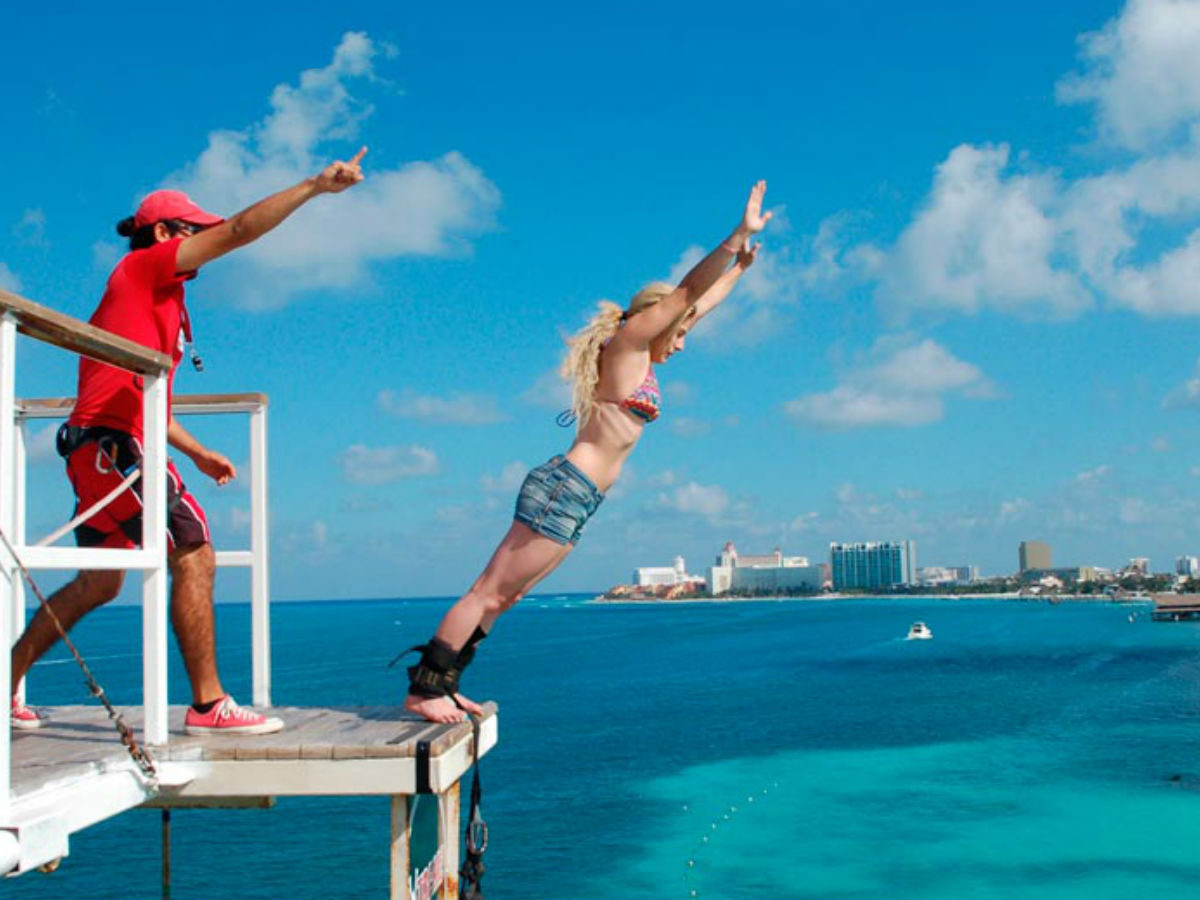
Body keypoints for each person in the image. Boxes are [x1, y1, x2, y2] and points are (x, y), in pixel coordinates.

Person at [11, 148, 368, 734]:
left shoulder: (157, 301)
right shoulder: (145, 269)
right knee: (195, 549)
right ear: (161, 232)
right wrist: (312, 187)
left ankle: (6, 680)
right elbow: (239, 230)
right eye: (191, 230)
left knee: (101, 580)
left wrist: (196, 451)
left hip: (95, 447)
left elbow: (144, 399)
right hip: (114, 445)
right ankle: (208, 706)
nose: (202, 239)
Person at [405, 181, 771, 723]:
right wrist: (732, 239)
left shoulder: (645, 358)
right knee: (487, 592)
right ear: (658, 321)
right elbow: (688, 294)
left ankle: (448, 682)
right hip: (564, 489)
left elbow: (698, 305)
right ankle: (423, 690)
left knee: (505, 599)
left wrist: (741, 269)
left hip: (578, 500)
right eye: (679, 332)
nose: (684, 342)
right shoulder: (627, 345)